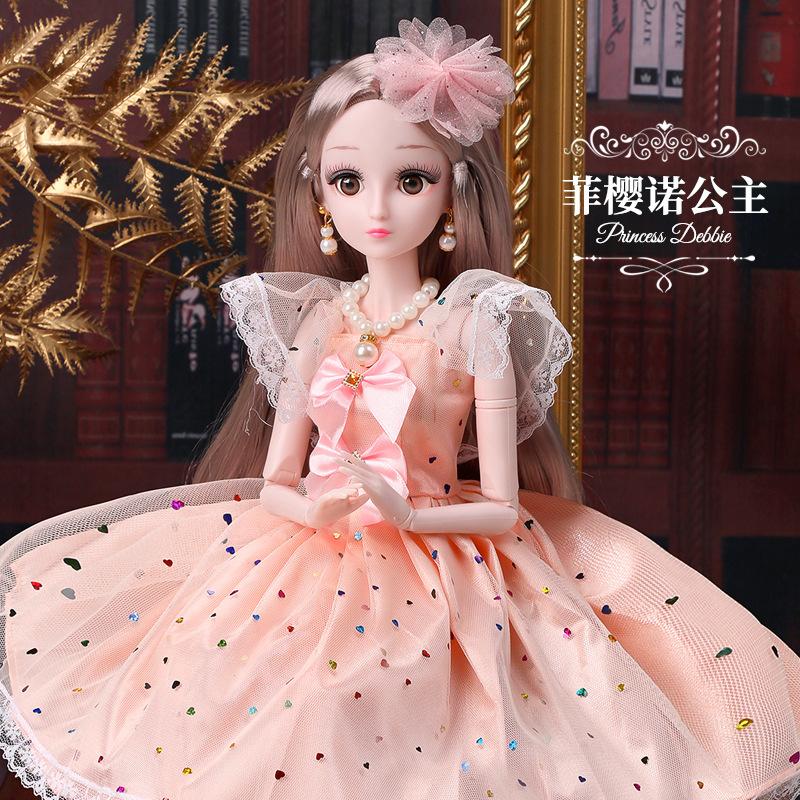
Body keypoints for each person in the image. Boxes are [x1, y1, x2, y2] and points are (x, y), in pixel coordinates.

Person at [1, 18, 799, 800]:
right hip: (301, 560)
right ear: (318, 193)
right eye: (348, 181)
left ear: (454, 193)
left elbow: (502, 507)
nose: (376, 206)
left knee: (449, 739)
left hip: (445, 559)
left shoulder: (475, 324)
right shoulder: (318, 319)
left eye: (411, 179)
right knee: (266, 720)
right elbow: (277, 478)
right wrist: (313, 507)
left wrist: (409, 514)